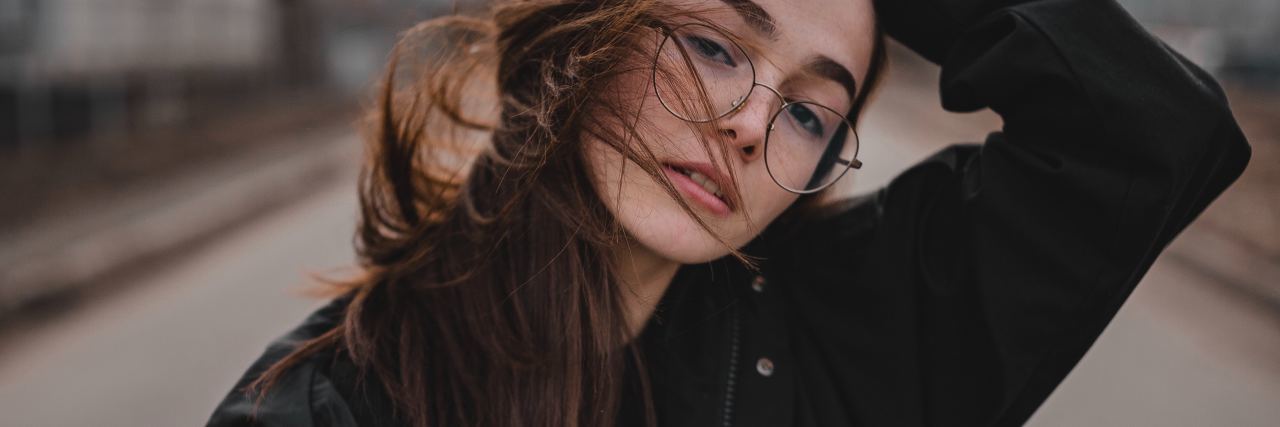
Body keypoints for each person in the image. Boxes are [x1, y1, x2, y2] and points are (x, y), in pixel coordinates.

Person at [207, 0, 1252, 425]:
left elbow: (1151, 135)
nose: (750, 125)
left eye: (807, 109)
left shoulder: (853, 327)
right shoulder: (328, 411)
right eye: (713, 47)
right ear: (590, 32)